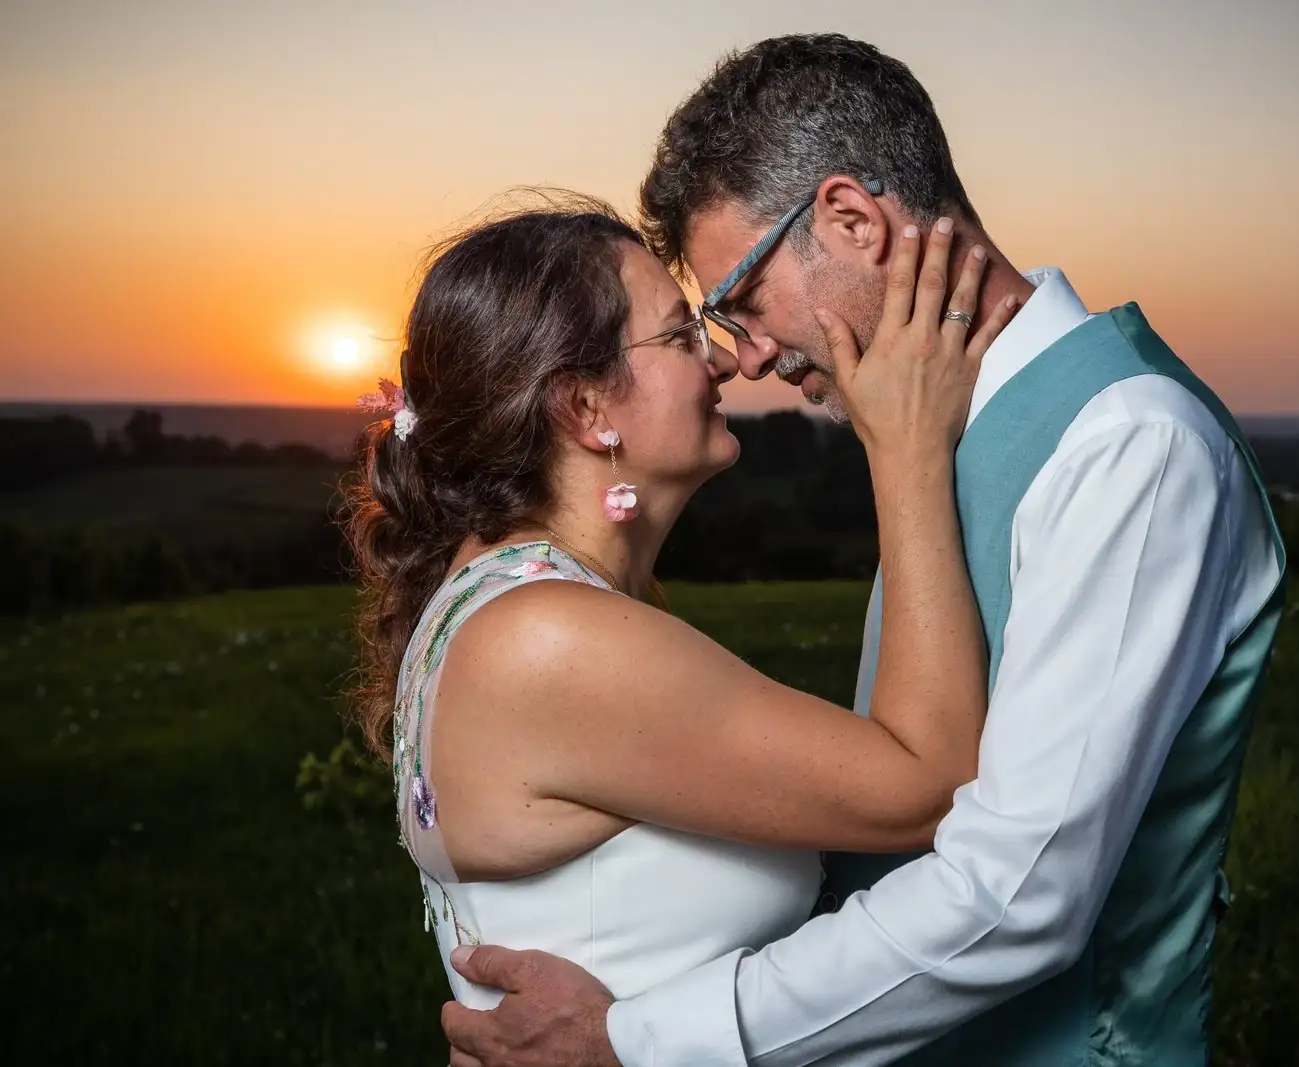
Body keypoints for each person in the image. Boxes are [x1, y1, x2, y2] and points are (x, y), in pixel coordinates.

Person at [441, 33, 1287, 1067]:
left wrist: (640, 1034)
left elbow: (1019, 893)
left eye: (743, 298)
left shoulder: (1131, 443)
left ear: (850, 219)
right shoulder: (928, 433)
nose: (745, 356)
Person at [343, 190, 1017, 1033]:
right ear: (586, 407)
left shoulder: (514, 606)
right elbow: (932, 782)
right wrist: (907, 445)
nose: (728, 361)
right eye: (680, 334)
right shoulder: (548, 637)